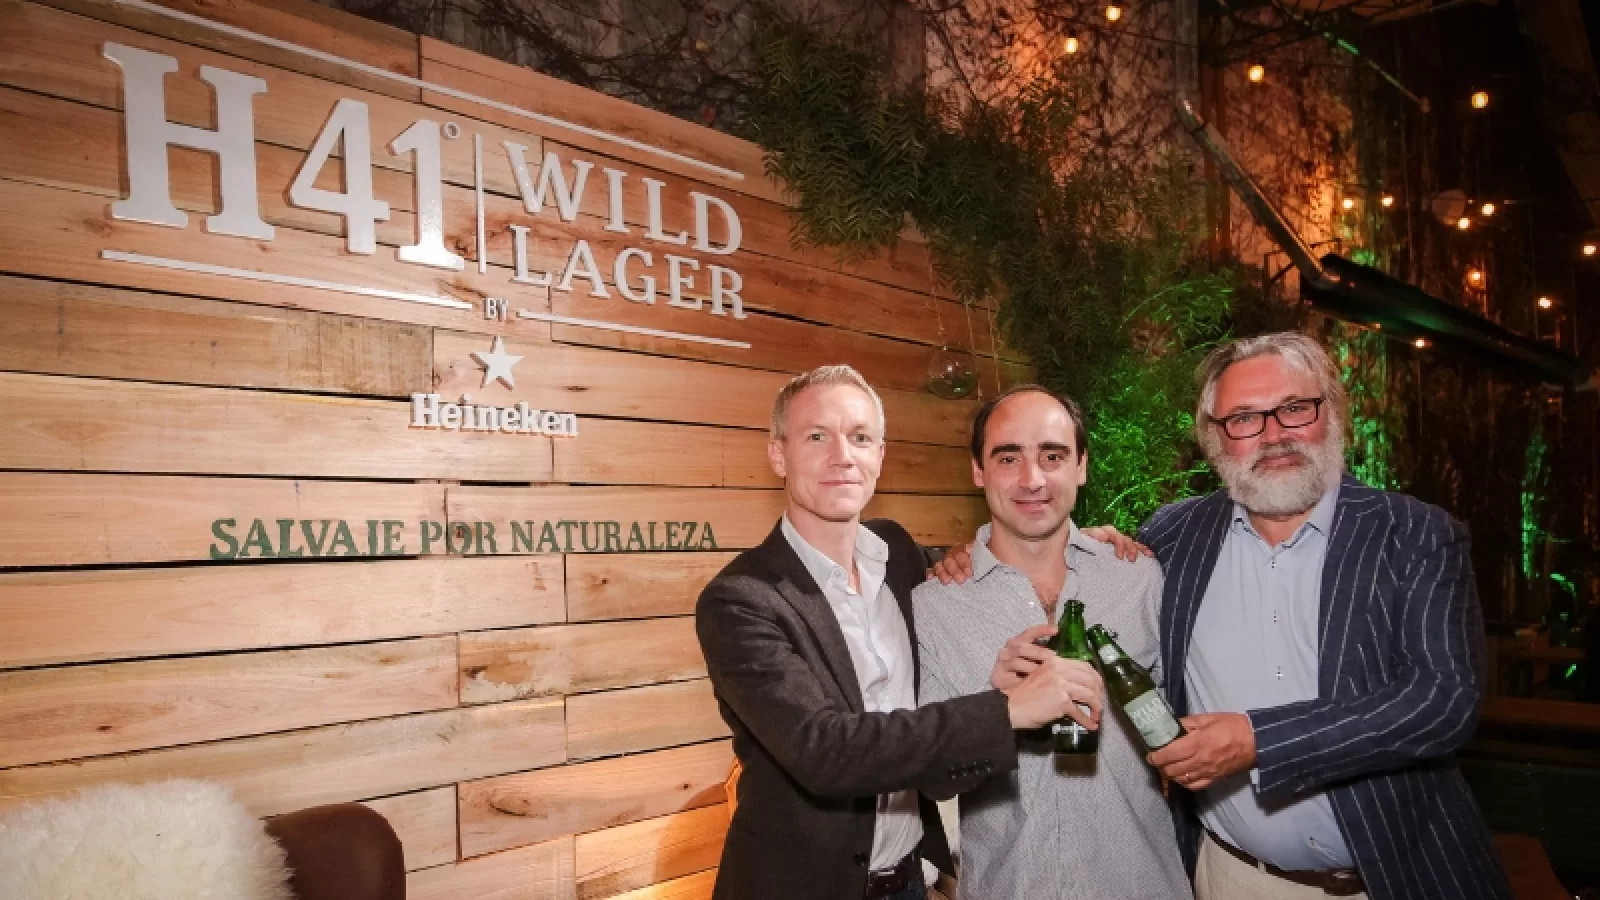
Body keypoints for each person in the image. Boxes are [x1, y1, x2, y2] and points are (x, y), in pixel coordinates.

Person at [695, 365, 1106, 900]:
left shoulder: (899, 556)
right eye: (817, 436)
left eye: (860, 437)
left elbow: (992, 555)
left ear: (880, 456)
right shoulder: (741, 599)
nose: (843, 456)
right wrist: (1007, 709)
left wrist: (1082, 541)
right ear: (779, 454)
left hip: (912, 882)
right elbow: (826, 752)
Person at [1139, 332, 1511, 900]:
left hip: (1389, 882)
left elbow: (1443, 702)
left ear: (1332, 412)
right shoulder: (1173, 535)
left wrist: (1259, 740)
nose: (1274, 434)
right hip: (1228, 876)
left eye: (1294, 408)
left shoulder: (1414, 534)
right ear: (1214, 438)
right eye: (1245, 418)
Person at [913, 384, 1192, 900]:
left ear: (1081, 466)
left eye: (1053, 456)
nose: (1032, 479)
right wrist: (995, 708)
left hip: (1140, 884)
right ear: (978, 471)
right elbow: (932, 780)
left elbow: (1187, 730)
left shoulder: (1139, 578)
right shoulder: (935, 606)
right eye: (1008, 457)